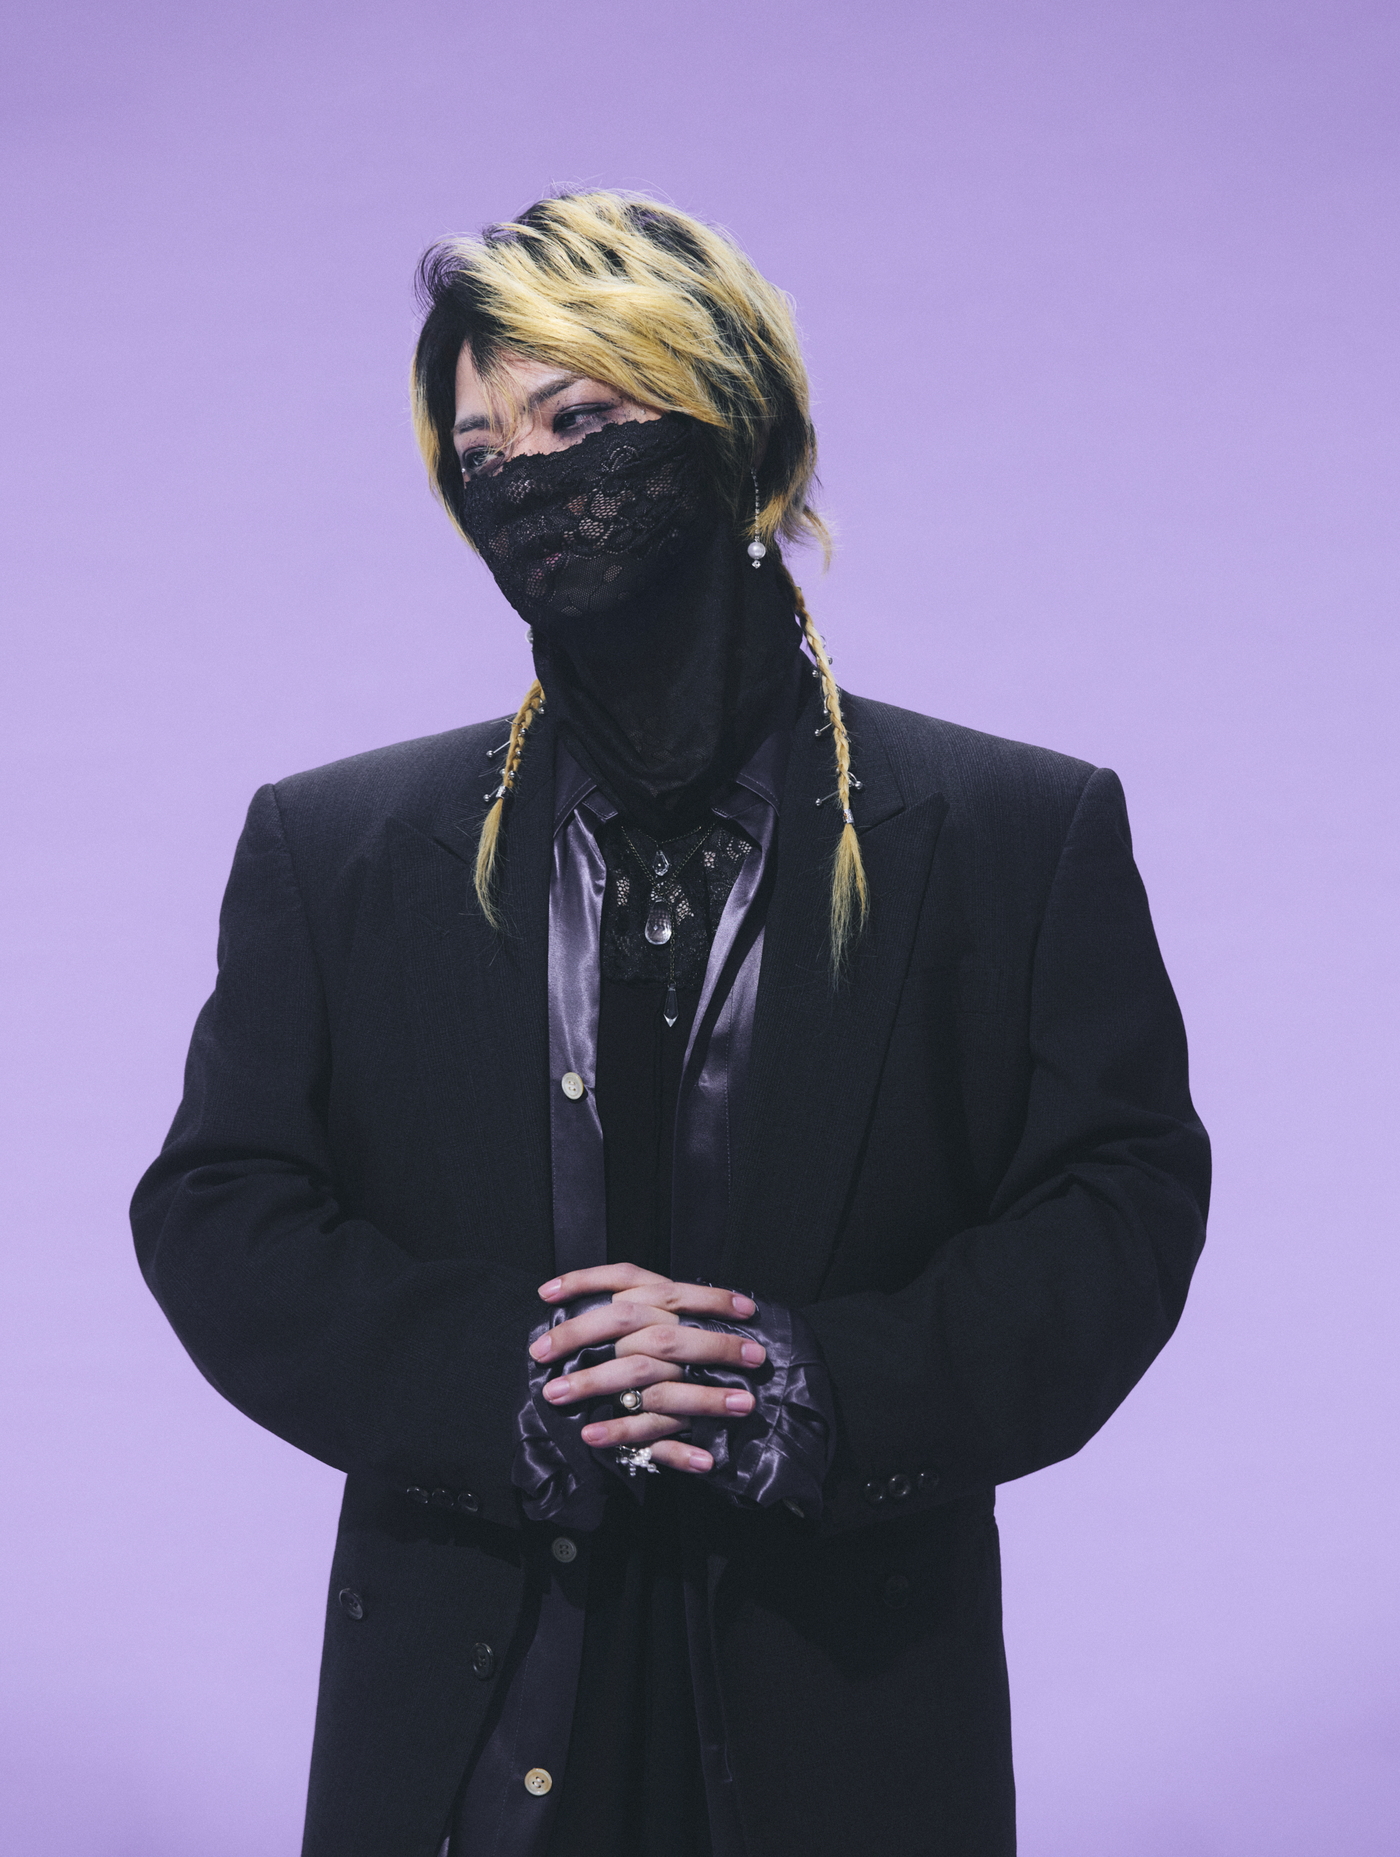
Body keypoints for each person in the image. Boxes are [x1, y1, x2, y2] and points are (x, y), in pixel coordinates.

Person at [131, 190, 1210, 1857]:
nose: (523, 478)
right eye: (482, 448)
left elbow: (1117, 1211)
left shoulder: (1015, 831)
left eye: (576, 420)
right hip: (465, 1733)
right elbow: (219, 1207)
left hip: (848, 1720)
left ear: (732, 430)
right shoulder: (338, 845)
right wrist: (497, 1379)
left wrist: (815, 1389)